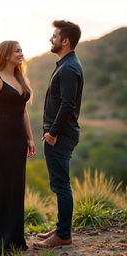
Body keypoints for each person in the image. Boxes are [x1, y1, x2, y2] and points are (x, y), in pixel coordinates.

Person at [0, 40, 35, 255]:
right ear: (6, 54)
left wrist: (29, 138)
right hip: (1, 138)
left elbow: (24, 112)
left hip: (19, 139)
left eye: (21, 50)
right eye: (17, 50)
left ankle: (14, 239)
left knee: (16, 186)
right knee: (1, 187)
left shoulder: (20, 77)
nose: (21, 53)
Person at [33, 20, 83, 249]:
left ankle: (63, 235)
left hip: (60, 136)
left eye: (54, 36)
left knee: (61, 186)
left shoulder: (70, 68)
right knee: (59, 184)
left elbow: (68, 105)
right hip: (59, 134)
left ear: (65, 41)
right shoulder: (66, 64)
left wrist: (52, 133)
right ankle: (61, 229)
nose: (50, 39)